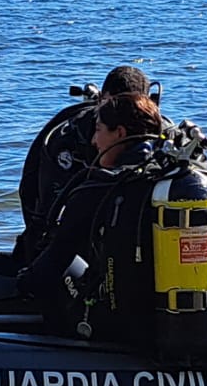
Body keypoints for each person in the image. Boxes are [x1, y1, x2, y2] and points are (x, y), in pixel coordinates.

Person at [14, 90, 165, 338]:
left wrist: (23, 283)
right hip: (164, 321)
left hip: (115, 325)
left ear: (119, 134)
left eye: (99, 130)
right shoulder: (168, 177)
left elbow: (55, 261)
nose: (95, 141)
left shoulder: (100, 187)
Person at [14, 63, 159, 266]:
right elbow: (42, 207)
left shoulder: (160, 137)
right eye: (110, 105)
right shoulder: (70, 138)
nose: (117, 114)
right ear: (101, 100)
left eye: (129, 109)